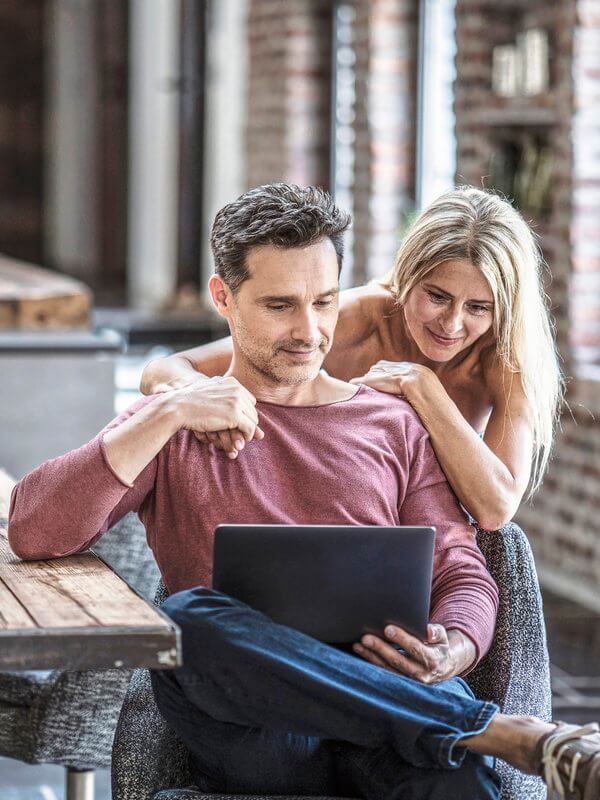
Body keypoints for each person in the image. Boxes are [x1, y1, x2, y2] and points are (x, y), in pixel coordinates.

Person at [8, 184, 598, 799]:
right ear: (224, 299)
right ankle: (501, 732)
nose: (309, 330)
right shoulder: (181, 424)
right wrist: (166, 414)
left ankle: (464, 728)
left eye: (324, 302)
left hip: (394, 710)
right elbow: (33, 528)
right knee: (189, 621)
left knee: (460, 783)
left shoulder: (395, 421)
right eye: (280, 306)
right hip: (262, 730)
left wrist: (457, 642)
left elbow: (463, 568)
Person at [140, 186, 564, 532]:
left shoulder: (504, 359)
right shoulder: (349, 318)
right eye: (437, 297)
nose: (452, 324)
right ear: (407, 276)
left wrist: (423, 388)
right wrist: (205, 400)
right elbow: (163, 370)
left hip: (425, 541)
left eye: (479, 308)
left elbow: (495, 508)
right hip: (310, 520)